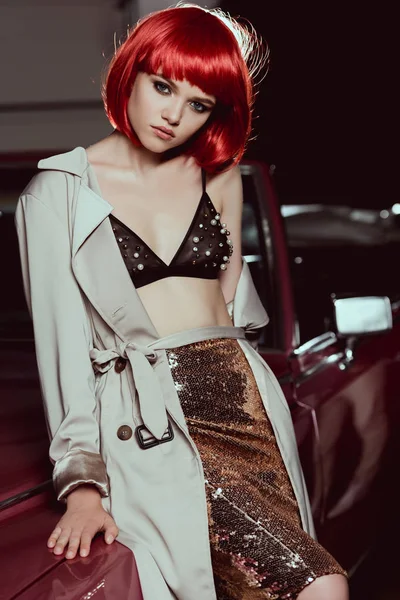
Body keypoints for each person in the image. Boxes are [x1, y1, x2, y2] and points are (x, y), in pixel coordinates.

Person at [15, 3, 348, 599]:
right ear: (130, 75)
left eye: (198, 104)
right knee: (318, 586)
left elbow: (232, 309)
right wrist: (82, 485)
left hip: (244, 400)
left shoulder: (219, 174)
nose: (173, 115)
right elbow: (61, 349)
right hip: (152, 416)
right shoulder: (56, 194)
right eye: (162, 86)